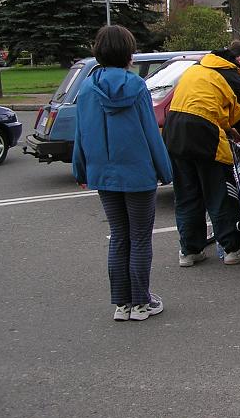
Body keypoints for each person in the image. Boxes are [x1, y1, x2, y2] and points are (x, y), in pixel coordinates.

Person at [72, 25, 173, 322]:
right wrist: (165, 170)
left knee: (119, 236)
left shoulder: (88, 88)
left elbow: (81, 134)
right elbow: (149, 133)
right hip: (137, 173)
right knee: (140, 237)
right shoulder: (137, 86)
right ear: (128, 53)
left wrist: (80, 169)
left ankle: (122, 304)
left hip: (103, 173)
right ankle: (141, 302)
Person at [163, 40, 240, 267]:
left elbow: (201, 105)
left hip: (175, 132)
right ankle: (233, 249)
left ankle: (189, 251)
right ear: (239, 60)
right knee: (220, 193)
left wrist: (227, 129)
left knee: (187, 194)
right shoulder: (232, 76)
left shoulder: (198, 69)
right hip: (204, 137)